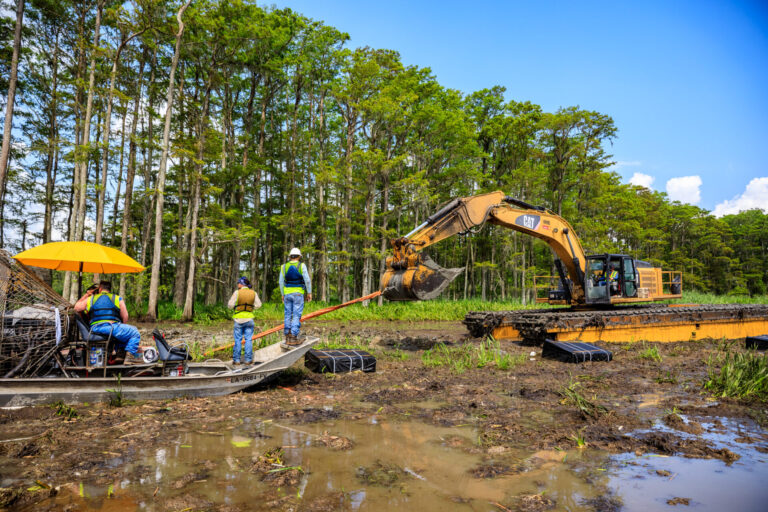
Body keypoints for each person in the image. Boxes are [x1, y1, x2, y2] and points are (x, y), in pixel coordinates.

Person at [74, 280, 141, 364]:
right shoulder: (117, 298)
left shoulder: (91, 299)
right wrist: (120, 326)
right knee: (134, 332)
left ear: (100, 288)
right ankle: (128, 358)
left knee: (121, 332)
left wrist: (87, 294)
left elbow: (76, 307)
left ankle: (119, 356)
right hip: (111, 327)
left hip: (95, 328)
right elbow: (125, 317)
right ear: (109, 289)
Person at [279, 247, 312, 346]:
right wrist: (309, 292)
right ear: (299, 257)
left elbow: (281, 282)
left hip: (287, 294)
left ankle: (287, 336)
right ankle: (293, 337)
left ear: (290, 256)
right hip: (298, 293)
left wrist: (282, 294)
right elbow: (307, 280)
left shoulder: (283, 267)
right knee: (296, 315)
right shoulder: (302, 266)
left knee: (288, 314)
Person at [227, 276, 262, 365]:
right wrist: (252, 307)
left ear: (242, 284)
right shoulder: (253, 293)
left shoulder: (237, 292)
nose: (238, 284)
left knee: (238, 340)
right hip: (249, 319)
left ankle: (237, 360)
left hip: (238, 319)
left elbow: (230, 305)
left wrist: (235, 306)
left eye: (238, 282)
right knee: (248, 340)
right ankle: (248, 360)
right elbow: (259, 305)